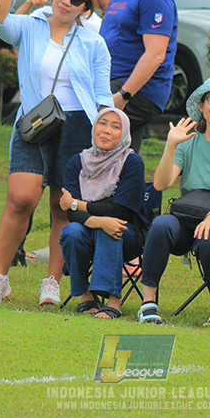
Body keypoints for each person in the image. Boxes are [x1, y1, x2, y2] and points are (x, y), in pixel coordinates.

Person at [0, 0, 113, 306]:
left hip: (77, 127)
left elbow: (102, 96)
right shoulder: (32, 25)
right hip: (34, 122)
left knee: (61, 205)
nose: (66, 2)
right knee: (21, 197)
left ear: (86, 8)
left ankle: (51, 282)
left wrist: (108, 133)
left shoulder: (93, 43)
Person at [136, 76, 210, 326]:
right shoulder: (188, 141)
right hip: (188, 218)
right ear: (201, 106)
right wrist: (170, 145)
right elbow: (161, 184)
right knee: (160, 225)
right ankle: (148, 304)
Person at [59, 107, 148, 319]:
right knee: (72, 231)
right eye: (103, 123)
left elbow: (120, 209)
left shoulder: (131, 162)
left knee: (110, 226)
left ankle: (113, 301)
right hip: (88, 229)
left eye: (115, 127)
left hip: (127, 232)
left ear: (124, 133)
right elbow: (70, 214)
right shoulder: (77, 162)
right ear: (94, 127)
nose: (107, 130)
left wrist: (78, 205)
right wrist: (98, 220)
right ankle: (85, 296)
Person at [100, 0, 177, 152]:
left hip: (136, 89)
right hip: (114, 81)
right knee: (120, 157)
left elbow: (155, 54)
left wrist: (123, 95)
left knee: (81, 117)